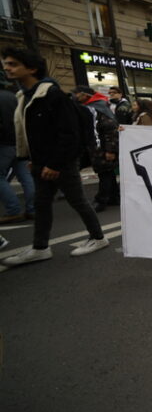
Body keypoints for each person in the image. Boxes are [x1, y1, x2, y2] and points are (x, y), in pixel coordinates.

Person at [2, 47, 109, 267]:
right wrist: (32, 158)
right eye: (6, 63)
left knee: (76, 200)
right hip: (42, 161)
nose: (6, 68)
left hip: (60, 162)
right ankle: (40, 247)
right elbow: (32, 133)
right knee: (41, 204)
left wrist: (55, 163)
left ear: (31, 68)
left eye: (13, 64)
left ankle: (98, 237)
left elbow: (69, 134)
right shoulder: (24, 96)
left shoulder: (53, 95)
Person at [73, 86, 119, 212]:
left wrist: (111, 150)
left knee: (104, 173)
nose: (75, 97)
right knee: (108, 173)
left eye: (77, 94)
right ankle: (114, 197)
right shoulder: (93, 107)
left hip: (101, 147)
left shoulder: (97, 108)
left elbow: (110, 129)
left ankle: (101, 200)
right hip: (97, 146)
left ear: (85, 95)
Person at [0, 83, 34, 224]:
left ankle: (13, 210)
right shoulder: (13, 97)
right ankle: (33, 209)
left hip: (3, 143)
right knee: (25, 176)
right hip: (18, 142)